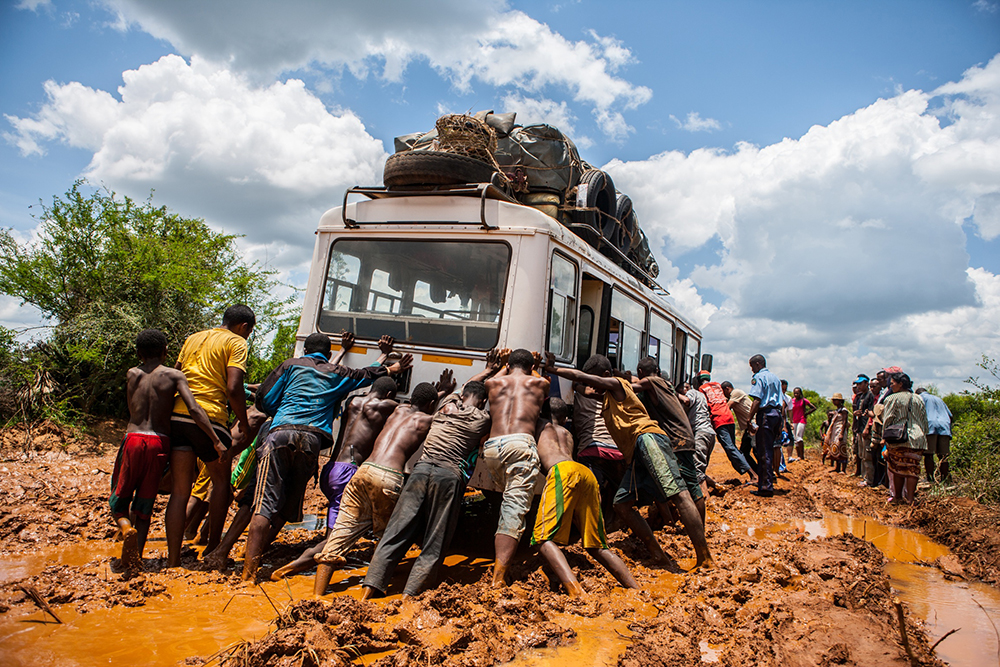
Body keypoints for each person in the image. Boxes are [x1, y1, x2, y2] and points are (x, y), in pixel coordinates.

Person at [203, 333, 409, 576]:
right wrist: (389, 367)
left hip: (279, 435)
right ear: (329, 355)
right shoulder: (337, 373)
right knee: (288, 503)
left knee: (262, 504)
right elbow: (364, 375)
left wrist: (282, 409)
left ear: (304, 350)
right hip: (311, 440)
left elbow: (264, 399)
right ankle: (254, 553)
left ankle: (248, 573)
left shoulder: (290, 366)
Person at [544, 353, 713, 570]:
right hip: (636, 450)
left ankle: (705, 556)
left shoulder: (617, 384)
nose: (593, 387)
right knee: (621, 504)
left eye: (595, 381)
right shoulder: (607, 397)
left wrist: (553, 369)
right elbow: (583, 387)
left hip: (648, 438)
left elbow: (580, 377)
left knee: (678, 494)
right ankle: (657, 554)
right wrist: (576, 386)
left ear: (605, 376)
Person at [361, 355, 505, 599]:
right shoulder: (482, 419)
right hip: (449, 476)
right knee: (435, 539)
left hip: (420, 470)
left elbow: (469, 385)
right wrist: (501, 372)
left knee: (396, 531)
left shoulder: (445, 405)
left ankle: (368, 590)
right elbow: (480, 394)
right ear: (482, 402)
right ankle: (410, 595)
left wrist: (488, 370)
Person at [313, 381, 444, 595]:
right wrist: (446, 393)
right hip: (389, 476)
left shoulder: (398, 409)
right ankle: (369, 595)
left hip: (364, 470)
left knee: (342, 530)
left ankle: (317, 595)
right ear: (431, 404)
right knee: (387, 537)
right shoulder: (428, 420)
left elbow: (418, 402)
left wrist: (434, 393)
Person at [110, 329, 223, 569]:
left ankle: (125, 530)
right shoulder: (174, 375)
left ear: (138, 353)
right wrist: (214, 438)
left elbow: (132, 407)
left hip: (132, 438)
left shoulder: (132, 374)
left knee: (119, 499)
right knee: (144, 502)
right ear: (166, 352)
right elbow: (193, 409)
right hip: (159, 442)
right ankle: (136, 555)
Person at [271, 375, 400, 581]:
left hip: (331, 468)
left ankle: (307, 563)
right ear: (390, 394)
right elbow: (412, 408)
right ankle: (292, 568)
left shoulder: (352, 401)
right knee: (334, 540)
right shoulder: (384, 406)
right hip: (347, 472)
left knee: (334, 531)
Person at [166, 305, 255, 567]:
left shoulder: (193, 338)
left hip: (178, 416)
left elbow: (175, 373)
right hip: (210, 419)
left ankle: (172, 559)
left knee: (181, 492)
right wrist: (243, 421)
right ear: (245, 327)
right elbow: (233, 386)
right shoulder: (236, 342)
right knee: (220, 483)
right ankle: (214, 548)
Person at [528, 398, 638, 596]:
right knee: (597, 545)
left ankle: (576, 591)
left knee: (542, 540)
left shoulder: (539, 426)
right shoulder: (568, 433)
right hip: (585, 474)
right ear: (564, 417)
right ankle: (635, 587)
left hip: (562, 472)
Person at [482, 348, 551, 587]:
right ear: (531, 367)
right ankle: (498, 579)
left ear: (508, 365)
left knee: (506, 501)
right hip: (520, 444)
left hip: (492, 448)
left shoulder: (493, 383)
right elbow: (542, 386)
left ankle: (498, 565)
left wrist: (502, 364)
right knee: (513, 509)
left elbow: (496, 376)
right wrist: (538, 366)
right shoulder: (539, 383)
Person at [634, 359, 704, 524]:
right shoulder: (665, 384)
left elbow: (629, 388)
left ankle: (699, 527)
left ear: (640, 371)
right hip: (682, 437)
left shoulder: (652, 382)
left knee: (691, 487)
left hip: (677, 439)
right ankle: (669, 519)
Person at [572, 380, 625, 527]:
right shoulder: (613, 396)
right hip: (617, 451)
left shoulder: (579, 394)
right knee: (617, 492)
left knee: (593, 492)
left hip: (591, 450)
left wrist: (576, 385)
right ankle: (612, 524)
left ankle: (593, 528)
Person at [697, 371, 755, 483]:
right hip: (729, 417)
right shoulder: (718, 385)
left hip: (719, 420)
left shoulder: (702, 389)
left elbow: (705, 406)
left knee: (730, 448)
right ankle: (752, 473)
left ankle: (753, 475)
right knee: (733, 448)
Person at [881, 372, 929, 504]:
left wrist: (884, 436)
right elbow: (924, 420)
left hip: (898, 438)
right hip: (917, 437)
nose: (891, 387)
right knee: (912, 468)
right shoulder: (918, 398)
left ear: (900, 384)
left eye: (892, 384)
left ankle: (897, 497)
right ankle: (910, 499)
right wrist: (924, 435)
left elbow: (888, 419)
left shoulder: (891, 399)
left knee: (897, 468)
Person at [745, 355, 783, 498]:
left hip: (766, 414)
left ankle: (765, 487)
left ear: (758, 364)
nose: (752, 370)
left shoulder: (759, 378)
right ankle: (768, 481)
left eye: (752, 366)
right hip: (777, 414)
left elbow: (757, 399)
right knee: (770, 450)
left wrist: (749, 419)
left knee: (764, 452)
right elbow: (782, 402)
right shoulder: (775, 378)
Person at [678, 379, 717, 497]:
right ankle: (715, 486)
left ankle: (706, 499)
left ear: (685, 388)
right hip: (709, 433)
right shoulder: (701, 395)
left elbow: (686, 401)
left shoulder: (691, 393)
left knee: (696, 469)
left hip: (700, 433)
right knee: (700, 467)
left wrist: (671, 392)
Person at [916, 388, 952, 484]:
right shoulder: (939, 399)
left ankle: (930, 478)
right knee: (943, 455)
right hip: (944, 426)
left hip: (930, 426)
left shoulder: (920, 398)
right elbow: (950, 415)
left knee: (928, 454)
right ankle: (945, 478)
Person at [722, 381, 757, 475]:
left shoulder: (736, 393)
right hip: (748, 427)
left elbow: (727, 407)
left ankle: (766, 474)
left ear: (727, 389)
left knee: (756, 450)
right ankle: (758, 473)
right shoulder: (734, 395)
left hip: (753, 424)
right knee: (744, 452)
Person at [852, 376, 875, 483]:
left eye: (860, 384)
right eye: (857, 384)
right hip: (860, 428)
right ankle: (863, 476)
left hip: (866, 429)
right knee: (861, 455)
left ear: (867, 384)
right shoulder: (860, 396)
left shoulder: (870, 396)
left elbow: (871, 413)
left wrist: (867, 428)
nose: (858, 386)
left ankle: (869, 479)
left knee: (867, 456)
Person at [789, 387, 816, 462]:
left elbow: (813, 408)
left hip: (801, 420)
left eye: (797, 393)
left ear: (800, 393)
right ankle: (798, 455)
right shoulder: (792, 401)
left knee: (799, 437)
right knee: (795, 438)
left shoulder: (804, 401)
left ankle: (801, 455)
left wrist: (806, 414)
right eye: (795, 393)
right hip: (794, 420)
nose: (796, 394)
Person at [825, 393, 849, 473]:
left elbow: (844, 422)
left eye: (836, 400)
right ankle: (837, 467)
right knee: (836, 448)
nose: (834, 402)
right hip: (835, 431)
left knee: (841, 448)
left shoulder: (844, 410)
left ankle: (843, 469)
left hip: (840, 430)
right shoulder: (837, 410)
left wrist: (842, 433)